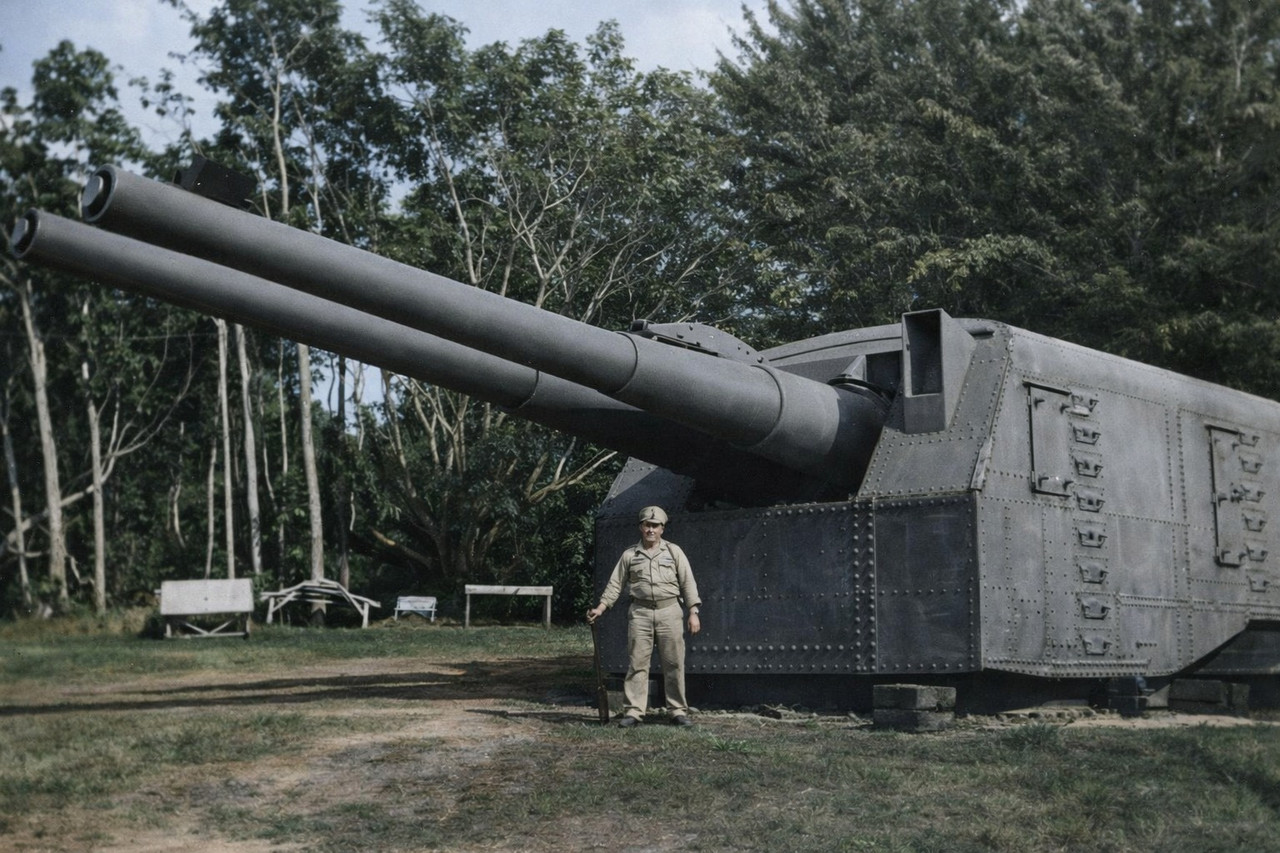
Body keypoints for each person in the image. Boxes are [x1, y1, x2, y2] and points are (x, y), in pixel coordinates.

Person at [587, 505, 701, 727]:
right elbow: (615, 584)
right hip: (640, 613)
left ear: (662, 529)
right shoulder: (630, 555)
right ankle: (634, 712)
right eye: (647, 525)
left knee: (674, 663)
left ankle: (677, 711)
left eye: (655, 526)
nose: (651, 530)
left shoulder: (674, 552)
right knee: (637, 663)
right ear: (641, 527)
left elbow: (688, 583)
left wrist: (693, 612)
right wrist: (600, 608)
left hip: (670, 612)